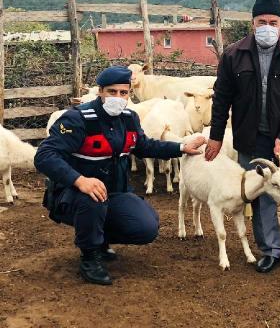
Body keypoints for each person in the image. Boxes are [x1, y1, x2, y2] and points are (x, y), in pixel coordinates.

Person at [35, 66, 205, 285]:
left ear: (129, 94)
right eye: (112, 92)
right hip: (74, 195)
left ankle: (101, 238)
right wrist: (80, 180)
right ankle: (90, 257)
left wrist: (181, 148)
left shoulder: (129, 118)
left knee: (146, 227)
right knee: (93, 197)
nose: (118, 97)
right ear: (100, 92)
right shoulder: (78, 120)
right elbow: (44, 155)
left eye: (123, 93)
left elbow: (144, 146)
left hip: (114, 193)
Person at [206, 0, 280, 273]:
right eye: (262, 22)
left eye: (273, 22)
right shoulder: (233, 55)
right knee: (259, 194)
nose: (267, 28)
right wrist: (216, 136)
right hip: (251, 140)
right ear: (252, 23)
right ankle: (270, 250)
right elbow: (222, 98)